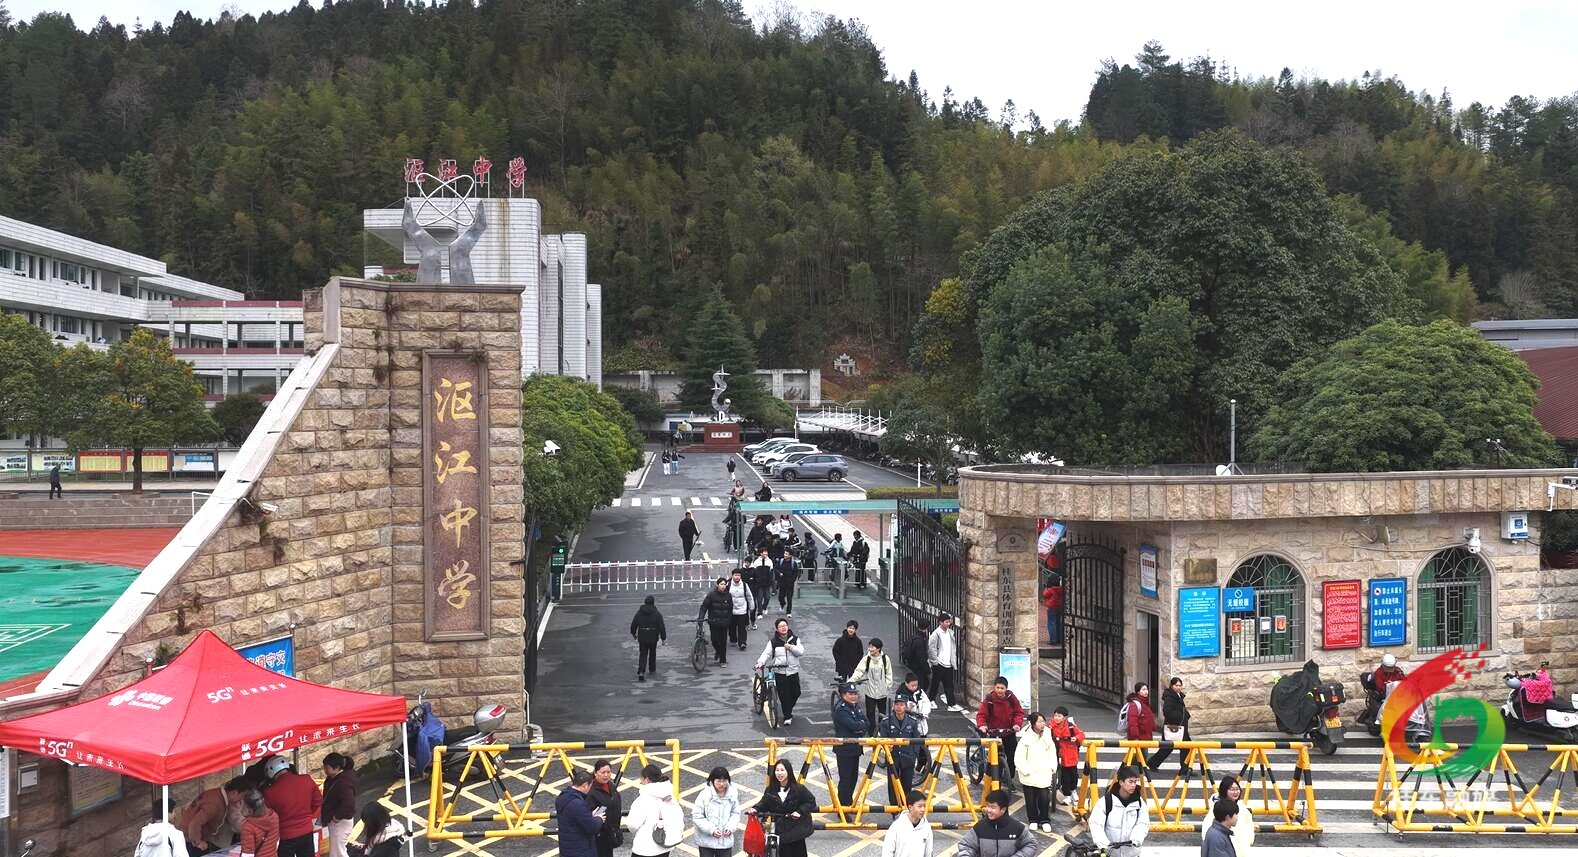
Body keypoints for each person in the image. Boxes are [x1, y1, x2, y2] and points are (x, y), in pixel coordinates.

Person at [748, 761, 817, 857]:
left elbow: (811, 802)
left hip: (796, 830)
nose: (779, 773)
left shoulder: (798, 789)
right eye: (777, 770)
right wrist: (755, 808)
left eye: (782, 770)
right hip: (780, 830)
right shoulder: (770, 789)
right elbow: (764, 803)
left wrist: (799, 812)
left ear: (788, 771)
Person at [260, 756, 321, 857]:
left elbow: (269, 817)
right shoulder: (306, 779)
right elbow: (317, 802)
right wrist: (308, 818)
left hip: (286, 835)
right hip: (307, 830)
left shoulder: (269, 792)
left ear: (271, 771)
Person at [1088, 765, 1150, 857]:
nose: (1133, 785)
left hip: (1132, 854)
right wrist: (1103, 844)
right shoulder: (1106, 801)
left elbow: (1143, 823)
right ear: (1121, 782)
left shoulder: (1140, 803)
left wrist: (1136, 839)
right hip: (1110, 853)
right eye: (1130, 782)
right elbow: (1095, 823)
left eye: (1135, 782)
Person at [179, 776, 249, 856]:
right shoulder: (215, 804)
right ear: (234, 793)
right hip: (190, 838)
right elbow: (195, 823)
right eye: (242, 796)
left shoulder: (216, 794)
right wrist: (198, 842)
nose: (241, 800)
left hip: (192, 835)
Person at [956, 788, 1037, 857]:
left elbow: (1031, 844)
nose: (988, 810)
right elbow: (966, 845)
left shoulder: (1016, 827)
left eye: (993, 807)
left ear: (1003, 809)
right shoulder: (980, 827)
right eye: (988, 806)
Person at [755, 618, 806, 724]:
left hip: (793, 671)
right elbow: (766, 653)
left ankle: (787, 708)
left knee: (796, 692)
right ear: (777, 629)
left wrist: (790, 647)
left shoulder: (795, 639)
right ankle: (787, 716)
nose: (783, 628)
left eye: (785, 625)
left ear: (788, 626)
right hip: (780, 672)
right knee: (784, 695)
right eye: (780, 626)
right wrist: (760, 662)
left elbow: (800, 652)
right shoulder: (773, 642)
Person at [626, 763, 684, 857]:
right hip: (665, 845)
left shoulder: (643, 799)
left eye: (641, 779)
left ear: (646, 779)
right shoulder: (669, 796)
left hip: (645, 848)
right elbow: (679, 816)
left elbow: (632, 824)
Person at [976, 676, 1026, 784]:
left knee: (1012, 756)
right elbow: (981, 714)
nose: (999, 690)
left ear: (1006, 689)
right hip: (994, 733)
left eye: (1002, 688)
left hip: (1008, 732)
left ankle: (1010, 778)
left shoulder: (1011, 698)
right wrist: (982, 725)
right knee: (994, 758)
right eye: (997, 687)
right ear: (994, 687)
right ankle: (993, 781)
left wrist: (1017, 724)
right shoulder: (989, 700)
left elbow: (1019, 712)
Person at [1014, 712, 1057, 832]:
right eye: (1039, 721)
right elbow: (1019, 757)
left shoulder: (1047, 734)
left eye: (1043, 721)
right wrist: (1025, 770)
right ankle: (1033, 820)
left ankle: (1044, 820)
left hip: (1044, 772)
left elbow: (1052, 752)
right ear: (1033, 723)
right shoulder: (1026, 737)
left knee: (1044, 798)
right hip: (1030, 773)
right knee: (1030, 799)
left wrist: (1052, 767)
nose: (1042, 724)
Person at [877, 696, 921, 806]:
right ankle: (894, 808)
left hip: (908, 758)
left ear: (906, 707)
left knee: (907, 785)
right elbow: (882, 740)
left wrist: (914, 755)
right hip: (893, 758)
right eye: (896, 704)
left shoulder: (912, 722)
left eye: (901, 705)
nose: (899, 707)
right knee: (893, 785)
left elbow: (917, 741)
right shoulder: (886, 722)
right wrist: (887, 749)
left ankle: (905, 807)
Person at [832, 682, 870, 807]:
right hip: (844, 750)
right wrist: (859, 727)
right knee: (846, 779)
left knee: (853, 778)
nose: (854, 696)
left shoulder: (855, 706)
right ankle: (843, 807)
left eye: (855, 694)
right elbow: (853, 726)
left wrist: (860, 727)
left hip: (855, 748)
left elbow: (867, 723)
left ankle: (848, 802)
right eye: (851, 694)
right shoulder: (841, 709)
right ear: (844, 695)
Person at [691, 766, 742, 857]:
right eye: (718, 781)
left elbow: (735, 813)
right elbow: (697, 816)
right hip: (706, 842)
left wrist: (730, 827)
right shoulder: (704, 795)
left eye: (724, 781)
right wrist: (711, 830)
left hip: (725, 842)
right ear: (712, 781)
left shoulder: (732, 794)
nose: (722, 784)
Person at [849, 638, 896, 734]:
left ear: (878, 649)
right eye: (869, 646)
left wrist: (887, 686)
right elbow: (859, 671)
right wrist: (851, 680)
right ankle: (871, 733)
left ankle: (881, 732)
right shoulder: (867, 659)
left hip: (882, 693)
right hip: (870, 692)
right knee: (870, 713)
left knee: (882, 714)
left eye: (872, 647)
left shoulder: (885, 659)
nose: (870, 649)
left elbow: (889, 673)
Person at [556, 770, 607, 857]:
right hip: (580, 850)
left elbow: (575, 818)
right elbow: (592, 827)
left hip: (567, 849)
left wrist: (590, 816)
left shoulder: (562, 797)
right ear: (585, 785)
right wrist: (599, 819)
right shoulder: (578, 804)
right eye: (590, 786)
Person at [1147, 676, 1192, 774]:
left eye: (1180, 685)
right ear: (1172, 686)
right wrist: (1181, 716)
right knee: (1167, 748)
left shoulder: (1178, 695)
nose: (1178, 687)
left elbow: (1181, 709)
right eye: (1176, 685)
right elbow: (1167, 712)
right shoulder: (1170, 697)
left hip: (1180, 727)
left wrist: (1186, 715)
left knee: (1186, 747)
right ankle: (1152, 763)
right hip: (1173, 727)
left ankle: (1185, 769)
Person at [1201, 776, 1253, 856]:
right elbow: (1206, 831)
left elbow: (1249, 828)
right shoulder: (1217, 809)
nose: (1235, 792)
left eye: (1237, 789)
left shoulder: (1243, 808)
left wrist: (1247, 842)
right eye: (1232, 789)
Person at [319, 753, 358, 857]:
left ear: (336, 768)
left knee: (338, 852)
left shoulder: (343, 782)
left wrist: (336, 817)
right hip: (337, 820)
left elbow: (349, 804)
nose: (324, 770)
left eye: (326, 767)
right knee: (336, 851)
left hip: (340, 821)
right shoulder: (336, 777)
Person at [896, 674, 935, 772]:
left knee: (923, 747)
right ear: (906, 684)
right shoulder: (901, 693)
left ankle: (922, 765)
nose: (915, 687)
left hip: (920, 722)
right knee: (909, 749)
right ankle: (907, 769)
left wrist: (924, 713)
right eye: (912, 685)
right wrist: (909, 708)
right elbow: (900, 708)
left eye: (916, 685)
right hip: (907, 725)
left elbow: (926, 702)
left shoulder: (920, 692)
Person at [1049, 706, 1085, 807]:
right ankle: (1067, 795)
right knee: (1065, 776)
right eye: (1055, 715)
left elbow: (1081, 734)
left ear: (1064, 717)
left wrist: (1076, 738)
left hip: (1071, 753)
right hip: (1058, 753)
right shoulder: (1051, 726)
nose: (1056, 718)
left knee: (1073, 774)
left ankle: (1073, 791)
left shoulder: (1071, 726)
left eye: (1059, 716)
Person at [586, 759, 623, 857]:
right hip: (599, 836)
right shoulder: (591, 790)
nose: (606, 775)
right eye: (603, 772)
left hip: (611, 833)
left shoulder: (611, 786)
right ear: (595, 773)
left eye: (608, 772)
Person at [928, 614, 963, 712]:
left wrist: (952, 661)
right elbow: (931, 649)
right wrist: (935, 662)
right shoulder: (936, 634)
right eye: (946, 622)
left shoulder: (950, 633)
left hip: (948, 664)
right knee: (935, 683)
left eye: (949, 621)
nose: (948, 623)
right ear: (940, 622)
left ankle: (951, 704)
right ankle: (931, 700)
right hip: (939, 663)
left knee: (949, 685)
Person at [881, 793, 934, 857]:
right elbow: (887, 852)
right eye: (919, 806)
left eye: (924, 806)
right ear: (910, 807)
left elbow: (929, 853)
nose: (923, 809)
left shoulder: (926, 827)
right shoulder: (896, 827)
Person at [631, 595, 667, 681]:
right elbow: (662, 626)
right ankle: (652, 669)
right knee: (652, 653)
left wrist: (633, 633)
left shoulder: (639, 613)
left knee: (643, 654)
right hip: (653, 636)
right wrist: (663, 638)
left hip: (642, 636)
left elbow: (634, 624)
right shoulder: (657, 614)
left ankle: (641, 672)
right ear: (653, 603)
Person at [698, 578, 733, 665]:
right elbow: (704, 607)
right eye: (721, 584)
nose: (723, 586)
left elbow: (730, 608)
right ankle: (718, 651)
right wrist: (701, 618)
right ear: (717, 585)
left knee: (723, 642)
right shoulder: (711, 595)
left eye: (724, 584)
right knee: (714, 641)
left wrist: (729, 620)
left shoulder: (728, 595)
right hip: (714, 622)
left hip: (724, 623)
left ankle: (723, 660)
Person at [238, 790, 280, 857]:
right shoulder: (274, 816)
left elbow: (248, 855)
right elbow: (276, 841)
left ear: (250, 809)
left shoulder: (248, 827)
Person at [902, 620, 932, 697]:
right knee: (922, 684)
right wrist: (927, 669)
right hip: (918, 667)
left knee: (919, 684)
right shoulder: (920, 640)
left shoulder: (914, 636)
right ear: (926, 628)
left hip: (913, 665)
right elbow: (921, 657)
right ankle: (918, 699)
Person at [726, 568, 754, 650]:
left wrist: (751, 606)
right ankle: (733, 639)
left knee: (742, 627)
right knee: (732, 627)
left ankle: (742, 643)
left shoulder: (745, 585)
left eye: (739, 575)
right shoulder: (728, 585)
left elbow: (749, 596)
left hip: (742, 609)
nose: (737, 577)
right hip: (731, 610)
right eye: (735, 575)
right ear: (732, 576)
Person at [1125, 683, 1158, 749]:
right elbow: (1132, 722)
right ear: (1138, 692)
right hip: (1138, 738)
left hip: (1145, 737)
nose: (1146, 691)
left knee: (1143, 754)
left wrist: (1153, 727)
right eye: (1143, 689)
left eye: (1147, 689)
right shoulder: (1135, 704)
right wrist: (1135, 737)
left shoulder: (1145, 703)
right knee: (1138, 754)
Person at [749, 549, 774, 622]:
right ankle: (759, 613)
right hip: (759, 583)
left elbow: (771, 572)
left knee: (767, 597)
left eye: (766, 553)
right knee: (759, 599)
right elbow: (754, 571)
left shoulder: (769, 561)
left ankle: (764, 607)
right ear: (761, 553)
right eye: (764, 553)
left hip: (767, 583)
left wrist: (771, 582)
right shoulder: (756, 562)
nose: (765, 555)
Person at [775, 551, 799, 616]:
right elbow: (776, 569)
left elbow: (796, 573)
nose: (785, 555)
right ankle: (782, 604)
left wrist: (792, 580)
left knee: (789, 598)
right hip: (782, 583)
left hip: (789, 584)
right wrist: (779, 573)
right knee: (780, 597)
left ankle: (789, 612)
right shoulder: (781, 561)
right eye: (784, 553)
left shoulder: (793, 563)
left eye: (786, 554)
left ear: (790, 555)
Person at [1041, 575, 1063, 646]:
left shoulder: (1050, 590)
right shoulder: (1061, 589)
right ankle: (1059, 639)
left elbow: (1044, 594)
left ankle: (1053, 639)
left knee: (1052, 623)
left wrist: (1046, 587)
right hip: (1059, 607)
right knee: (1059, 623)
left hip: (1052, 608)